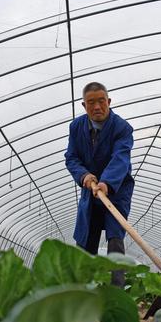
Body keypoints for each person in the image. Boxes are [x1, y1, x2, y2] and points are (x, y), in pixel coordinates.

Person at [65, 81, 134, 287]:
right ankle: (82, 290)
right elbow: (71, 157)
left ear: (109, 102)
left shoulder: (122, 128)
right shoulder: (76, 127)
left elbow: (120, 159)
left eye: (101, 101)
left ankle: (117, 291)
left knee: (115, 239)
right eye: (91, 103)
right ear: (84, 106)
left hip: (116, 190)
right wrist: (84, 176)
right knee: (86, 239)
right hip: (90, 191)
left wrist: (106, 183)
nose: (97, 107)